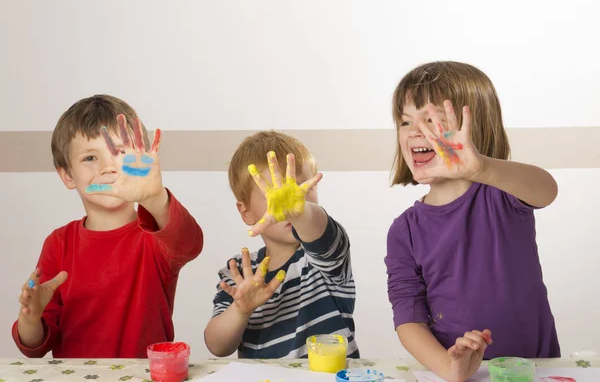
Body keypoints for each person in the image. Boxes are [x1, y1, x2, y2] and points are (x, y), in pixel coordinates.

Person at [385, 61, 560, 381]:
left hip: (530, 370)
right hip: (461, 371)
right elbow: (408, 317)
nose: (414, 131)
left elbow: (546, 190)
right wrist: (448, 368)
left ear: (472, 127)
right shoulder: (404, 231)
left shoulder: (502, 195)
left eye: (430, 119)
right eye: (405, 121)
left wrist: (480, 168)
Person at [13, 94, 204, 358]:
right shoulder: (59, 243)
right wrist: (30, 320)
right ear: (67, 175)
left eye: (119, 152)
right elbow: (35, 345)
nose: (108, 166)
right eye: (90, 158)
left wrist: (154, 196)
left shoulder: (155, 235)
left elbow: (189, 243)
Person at [204, 131, 359, 358]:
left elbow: (317, 227)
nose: (289, 203)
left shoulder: (326, 259)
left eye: (299, 190)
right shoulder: (239, 272)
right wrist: (240, 309)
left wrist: (302, 214)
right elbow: (218, 346)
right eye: (274, 195)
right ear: (246, 212)